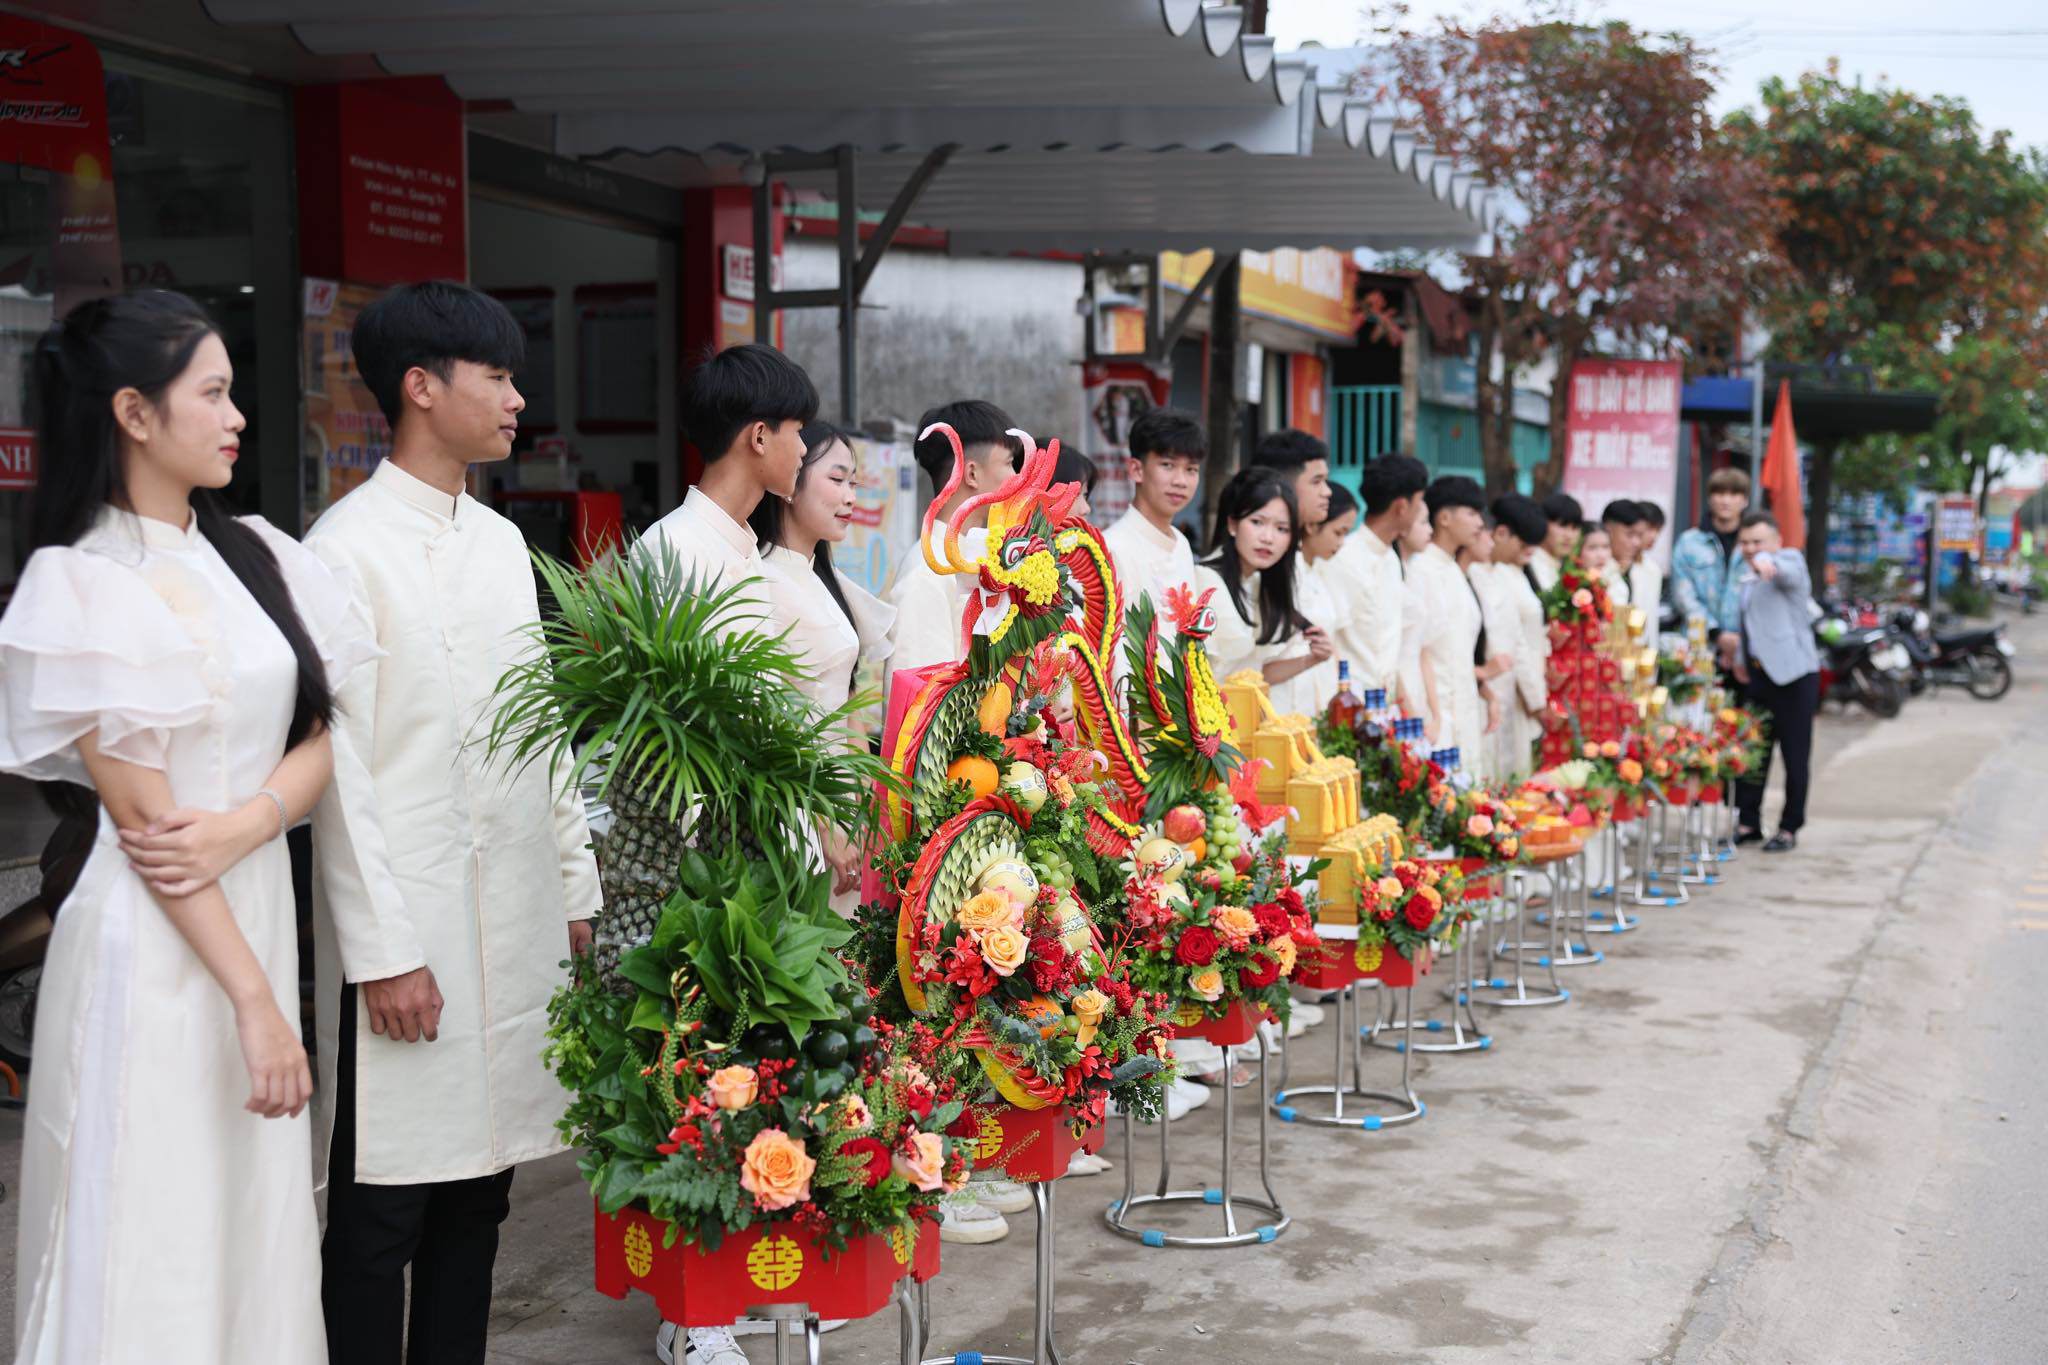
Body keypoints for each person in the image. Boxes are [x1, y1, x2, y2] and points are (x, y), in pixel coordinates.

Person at [0, 292, 370, 1361]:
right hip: (155, 956)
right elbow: (154, 833)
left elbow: (327, 735)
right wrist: (260, 1003)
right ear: (132, 412)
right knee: (150, 1225)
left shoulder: (251, 552)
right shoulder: (83, 583)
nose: (236, 415)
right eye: (210, 392)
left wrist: (252, 820)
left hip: (247, 905)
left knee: (251, 1227)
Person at [304, 281, 601, 1365]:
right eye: (499, 376)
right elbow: (335, 774)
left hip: (512, 916)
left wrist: (572, 891)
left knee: (481, 1193)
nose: (518, 399)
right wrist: (383, 955)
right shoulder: (343, 549)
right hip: (407, 927)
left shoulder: (495, 542)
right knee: (383, 1208)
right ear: (421, 388)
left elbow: (543, 728)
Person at [749, 422, 897, 901]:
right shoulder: (763, 581)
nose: (850, 496)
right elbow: (774, 726)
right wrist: (825, 822)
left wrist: (858, 812)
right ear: (791, 479)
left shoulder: (824, 581)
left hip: (842, 818)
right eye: (837, 480)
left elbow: (849, 713)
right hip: (796, 819)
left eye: (854, 482)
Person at [639, 343, 820, 630]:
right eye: (798, 432)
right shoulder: (672, 548)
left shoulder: (743, 548)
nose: (803, 449)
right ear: (759, 437)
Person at [883, 399, 1023, 689]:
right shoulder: (927, 572)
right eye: (1010, 464)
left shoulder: (979, 559)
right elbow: (922, 708)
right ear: (971, 473)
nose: (1017, 477)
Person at [1732, 512, 1821, 853]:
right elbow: (1749, 626)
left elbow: (1787, 571)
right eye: (1746, 543)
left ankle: (1789, 827)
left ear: (1776, 542)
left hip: (1795, 675)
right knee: (1754, 751)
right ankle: (1748, 821)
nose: (1751, 549)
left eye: (1758, 542)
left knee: (1795, 755)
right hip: (1758, 675)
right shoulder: (1747, 578)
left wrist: (1768, 560)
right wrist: (1741, 660)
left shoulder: (1789, 563)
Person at [1193, 467, 1328, 688]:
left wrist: (1312, 658)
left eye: (1281, 529)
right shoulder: (1206, 581)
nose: (1268, 538)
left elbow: (1253, 674)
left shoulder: (1256, 583)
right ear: (1233, 524)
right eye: (1257, 522)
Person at [1331, 453, 1429, 696]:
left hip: (1383, 707)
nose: (1420, 511)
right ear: (1402, 507)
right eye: (1419, 503)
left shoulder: (1391, 560)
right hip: (1349, 705)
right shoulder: (1343, 557)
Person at [1409, 476, 1489, 761]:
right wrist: (1434, 715)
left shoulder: (1453, 571)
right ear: (1444, 517)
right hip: (1435, 714)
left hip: (1464, 706)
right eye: (1471, 513)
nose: (1480, 523)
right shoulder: (1422, 570)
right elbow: (1418, 650)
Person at [1101, 408, 1203, 631]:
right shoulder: (1110, 548)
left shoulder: (1182, 544)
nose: (1180, 481)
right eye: (1167, 465)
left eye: (1191, 469)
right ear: (1136, 469)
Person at [1275, 480, 1353, 716]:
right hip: (1286, 698)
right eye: (1338, 532)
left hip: (1318, 696)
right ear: (1311, 527)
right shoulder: (1285, 570)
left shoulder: (1318, 572)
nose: (1341, 543)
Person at [1487, 495, 1552, 778]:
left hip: (1527, 685)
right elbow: (1517, 644)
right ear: (1501, 533)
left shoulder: (1516, 572)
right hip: (1510, 686)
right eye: (1523, 542)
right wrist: (1536, 698)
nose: (1530, 550)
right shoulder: (1497, 573)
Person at [1672, 468, 1752, 676]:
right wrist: (1717, 634)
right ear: (1709, 499)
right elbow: (1683, 596)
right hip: (1700, 646)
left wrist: (1738, 639)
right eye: (1719, 494)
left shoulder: (1753, 544)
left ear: (1744, 501)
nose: (1726, 501)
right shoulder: (1689, 542)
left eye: (1734, 494)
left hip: (1747, 648)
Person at [1462, 522, 1520, 779]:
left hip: (1477, 692)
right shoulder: (1439, 574)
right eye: (1484, 532)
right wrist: (1484, 671)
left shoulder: (1468, 576)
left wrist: (1486, 688)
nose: (1489, 539)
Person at [1395, 501, 1438, 733]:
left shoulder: (1414, 572)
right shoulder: (1390, 570)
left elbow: (1423, 649)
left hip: (1417, 685)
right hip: (1399, 690)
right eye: (1423, 522)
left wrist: (1435, 713)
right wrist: (1410, 712)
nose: (1430, 530)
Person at [1252, 427, 1334, 528]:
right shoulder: (1262, 541)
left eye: (1325, 481)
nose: (1327, 492)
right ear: (1283, 484)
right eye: (1316, 481)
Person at [1529, 491, 1583, 591]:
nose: (1569, 536)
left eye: (1575, 528)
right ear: (1543, 523)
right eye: (1562, 525)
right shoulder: (1528, 563)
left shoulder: (1573, 568)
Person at [1601, 499, 1647, 604]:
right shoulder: (1593, 569)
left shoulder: (1645, 570)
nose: (1636, 542)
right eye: (1629, 534)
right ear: (1608, 529)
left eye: (1640, 535)